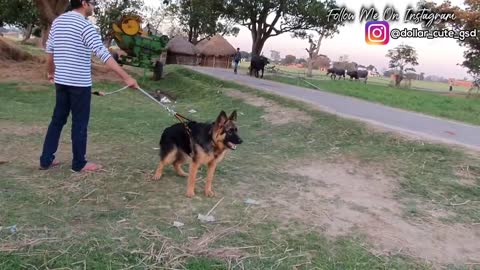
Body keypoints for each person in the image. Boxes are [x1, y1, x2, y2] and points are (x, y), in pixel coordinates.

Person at [39, 0, 138, 172]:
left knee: (57, 120)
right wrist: (127, 77)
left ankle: (45, 160)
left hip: (61, 82)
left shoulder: (58, 22)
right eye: (92, 3)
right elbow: (103, 54)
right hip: (79, 84)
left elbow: (50, 51)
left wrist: (50, 72)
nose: (94, 6)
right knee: (79, 123)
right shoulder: (86, 26)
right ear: (84, 3)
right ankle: (79, 163)